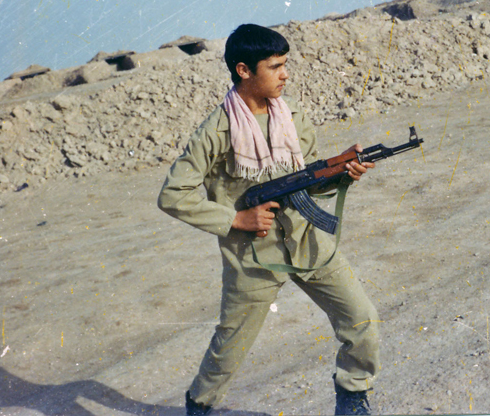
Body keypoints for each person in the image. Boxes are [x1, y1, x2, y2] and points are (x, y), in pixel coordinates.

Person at [157, 24, 381, 415]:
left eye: (285, 65)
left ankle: (352, 396)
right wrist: (235, 219)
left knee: (362, 319)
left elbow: (307, 183)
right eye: (275, 67)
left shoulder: (291, 115)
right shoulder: (217, 131)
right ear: (244, 70)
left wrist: (342, 173)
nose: (285, 75)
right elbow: (173, 195)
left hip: (308, 240)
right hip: (253, 256)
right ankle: (200, 405)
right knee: (231, 346)